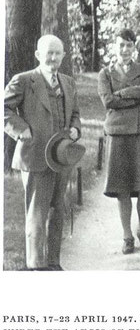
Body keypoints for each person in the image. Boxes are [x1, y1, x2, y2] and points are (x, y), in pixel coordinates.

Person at [4, 35, 81, 270]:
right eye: (49, 53)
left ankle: (53, 262)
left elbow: (75, 113)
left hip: (61, 157)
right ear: (38, 55)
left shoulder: (68, 82)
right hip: (36, 156)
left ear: (64, 56)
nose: (53, 58)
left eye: (58, 53)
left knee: (58, 211)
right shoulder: (25, 80)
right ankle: (37, 266)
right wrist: (22, 130)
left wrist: (76, 128)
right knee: (37, 213)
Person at [98, 29, 140, 254]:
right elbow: (108, 101)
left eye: (129, 45)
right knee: (122, 186)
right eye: (121, 45)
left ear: (134, 47)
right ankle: (127, 236)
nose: (125, 50)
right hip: (117, 133)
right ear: (114, 47)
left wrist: (122, 94)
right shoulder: (105, 74)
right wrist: (136, 97)